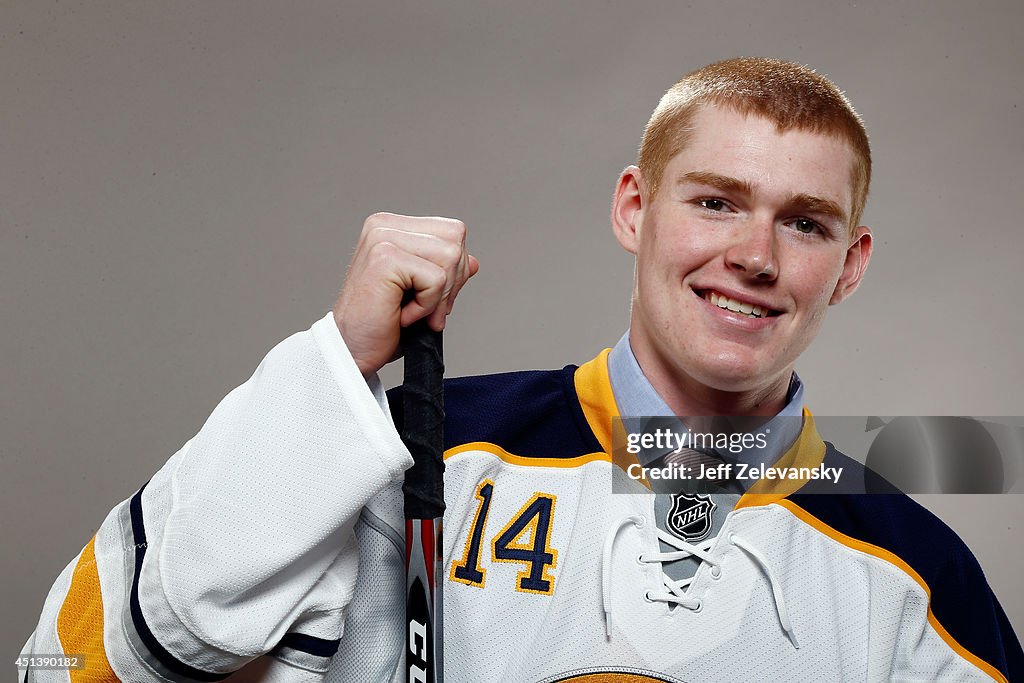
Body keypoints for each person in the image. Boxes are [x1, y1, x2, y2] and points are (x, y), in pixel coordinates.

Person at [21, 57, 1022, 682]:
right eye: (714, 201)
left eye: (803, 222)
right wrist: (333, 366)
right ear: (634, 208)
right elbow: (90, 655)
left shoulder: (914, 575)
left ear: (848, 265)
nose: (755, 255)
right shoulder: (409, 452)